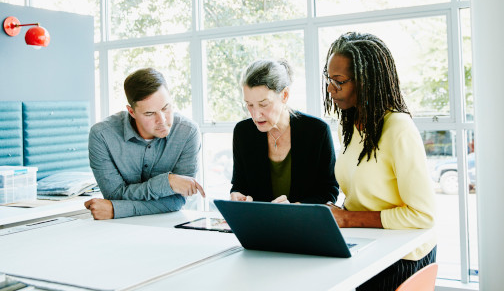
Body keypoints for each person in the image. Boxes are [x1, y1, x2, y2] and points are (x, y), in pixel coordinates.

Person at [323, 32, 436, 291]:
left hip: (404, 255)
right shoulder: (349, 126)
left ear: (366, 82)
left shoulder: (398, 128)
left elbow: (423, 215)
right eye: (329, 80)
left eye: (339, 81)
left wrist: (349, 219)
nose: (331, 89)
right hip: (368, 244)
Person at [85, 68, 204, 220]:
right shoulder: (102, 135)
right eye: (149, 113)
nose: (162, 120)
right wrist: (168, 183)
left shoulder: (188, 132)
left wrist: (117, 210)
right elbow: (114, 195)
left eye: (166, 108)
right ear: (132, 112)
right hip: (119, 229)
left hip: (168, 225)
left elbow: (176, 200)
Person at [230, 59, 339, 204]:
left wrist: (297, 209)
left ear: (285, 95)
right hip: (258, 224)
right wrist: (238, 195)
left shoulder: (317, 131)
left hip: (304, 224)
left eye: (263, 104)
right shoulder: (243, 132)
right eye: (249, 105)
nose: (256, 115)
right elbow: (239, 185)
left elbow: (329, 191)